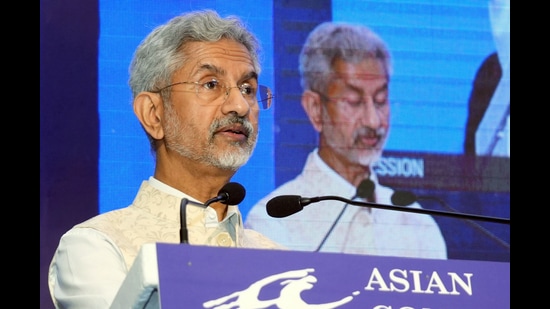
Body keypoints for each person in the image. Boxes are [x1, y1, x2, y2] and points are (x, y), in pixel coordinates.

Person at [48, 10, 285, 309]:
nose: (239, 105)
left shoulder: (278, 260)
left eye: (248, 89)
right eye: (211, 84)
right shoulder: (97, 246)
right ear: (154, 114)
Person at [245, 22, 447, 259]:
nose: (373, 121)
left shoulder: (416, 224)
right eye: (354, 101)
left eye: (381, 101)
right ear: (315, 109)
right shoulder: (274, 223)